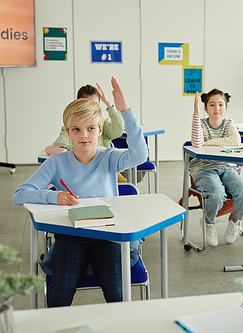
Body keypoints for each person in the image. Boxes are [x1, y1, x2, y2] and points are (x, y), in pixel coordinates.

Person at [13, 77, 148, 307]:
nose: (84, 135)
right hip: (71, 237)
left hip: (108, 236)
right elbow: (20, 193)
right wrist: (54, 196)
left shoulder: (110, 157)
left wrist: (125, 110)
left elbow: (140, 155)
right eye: (76, 129)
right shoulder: (56, 162)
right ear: (68, 132)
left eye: (91, 128)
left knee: (116, 289)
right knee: (61, 290)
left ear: (100, 130)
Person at [189, 89, 243, 247]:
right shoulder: (201, 123)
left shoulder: (229, 123)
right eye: (212, 105)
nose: (217, 108)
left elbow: (235, 141)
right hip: (203, 168)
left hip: (226, 167)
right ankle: (209, 222)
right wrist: (196, 113)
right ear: (206, 108)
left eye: (221, 104)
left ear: (226, 108)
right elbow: (196, 142)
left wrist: (207, 143)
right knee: (216, 192)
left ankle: (234, 222)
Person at [44, 83, 129, 183]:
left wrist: (109, 104)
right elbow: (58, 144)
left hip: (103, 169)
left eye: (96, 104)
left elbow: (118, 129)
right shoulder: (72, 126)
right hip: (80, 171)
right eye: (87, 103)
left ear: (99, 130)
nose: (84, 135)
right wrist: (77, 148)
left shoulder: (102, 124)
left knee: (124, 186)